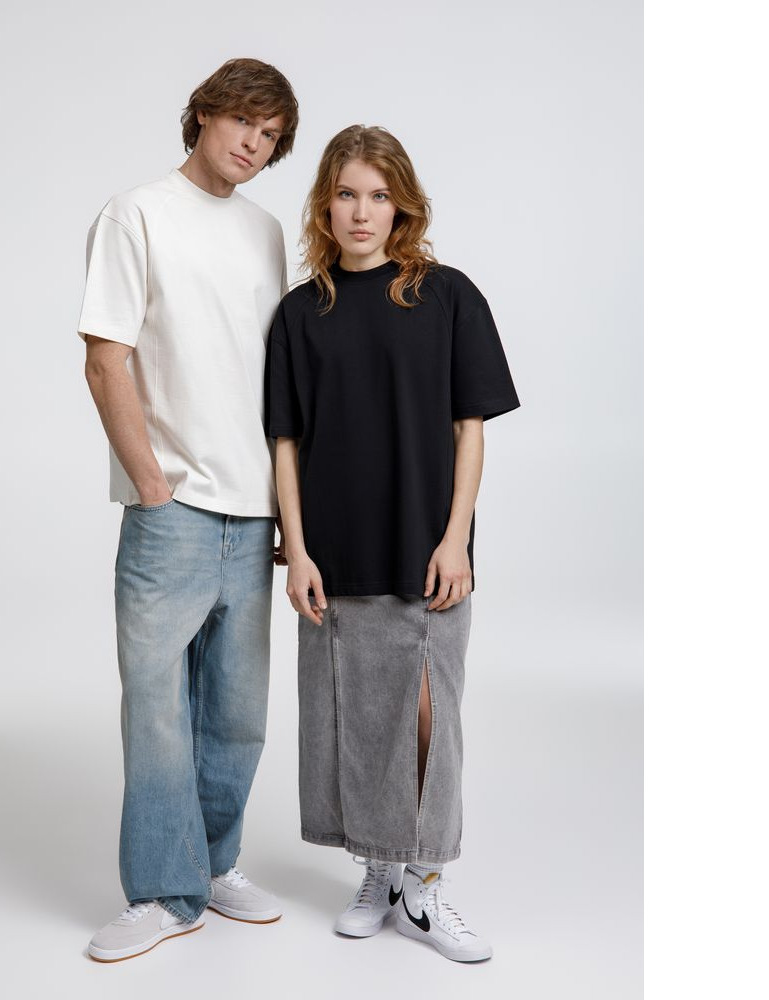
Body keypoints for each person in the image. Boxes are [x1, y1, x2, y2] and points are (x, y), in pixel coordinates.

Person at [265, 125, 519, 962]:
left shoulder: (446, 296)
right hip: (334, 556)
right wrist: (297, 550)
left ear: (402, 205)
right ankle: (379, 871)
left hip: (426, 550)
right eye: (346, 193)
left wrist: (457, 540)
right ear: (324, 205)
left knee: (427, 718)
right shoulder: (300, 314)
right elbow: (286, 442)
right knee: (355, 717)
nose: (361, 211)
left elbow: (470, 428)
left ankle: (425, 885)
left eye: (378, 195)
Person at [77, 58, 298, 963]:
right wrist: (152, 482)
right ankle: (163, 893)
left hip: (254, 511)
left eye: (271, 136)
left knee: (238, 714)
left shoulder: (267, 231)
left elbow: (276, 375)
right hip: (172, 509)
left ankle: (213, 864)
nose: (254, 143)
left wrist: (285, 507)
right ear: (204, 114)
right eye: (244, 121)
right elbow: (106, 357)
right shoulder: (135, 214)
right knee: (159, 710)